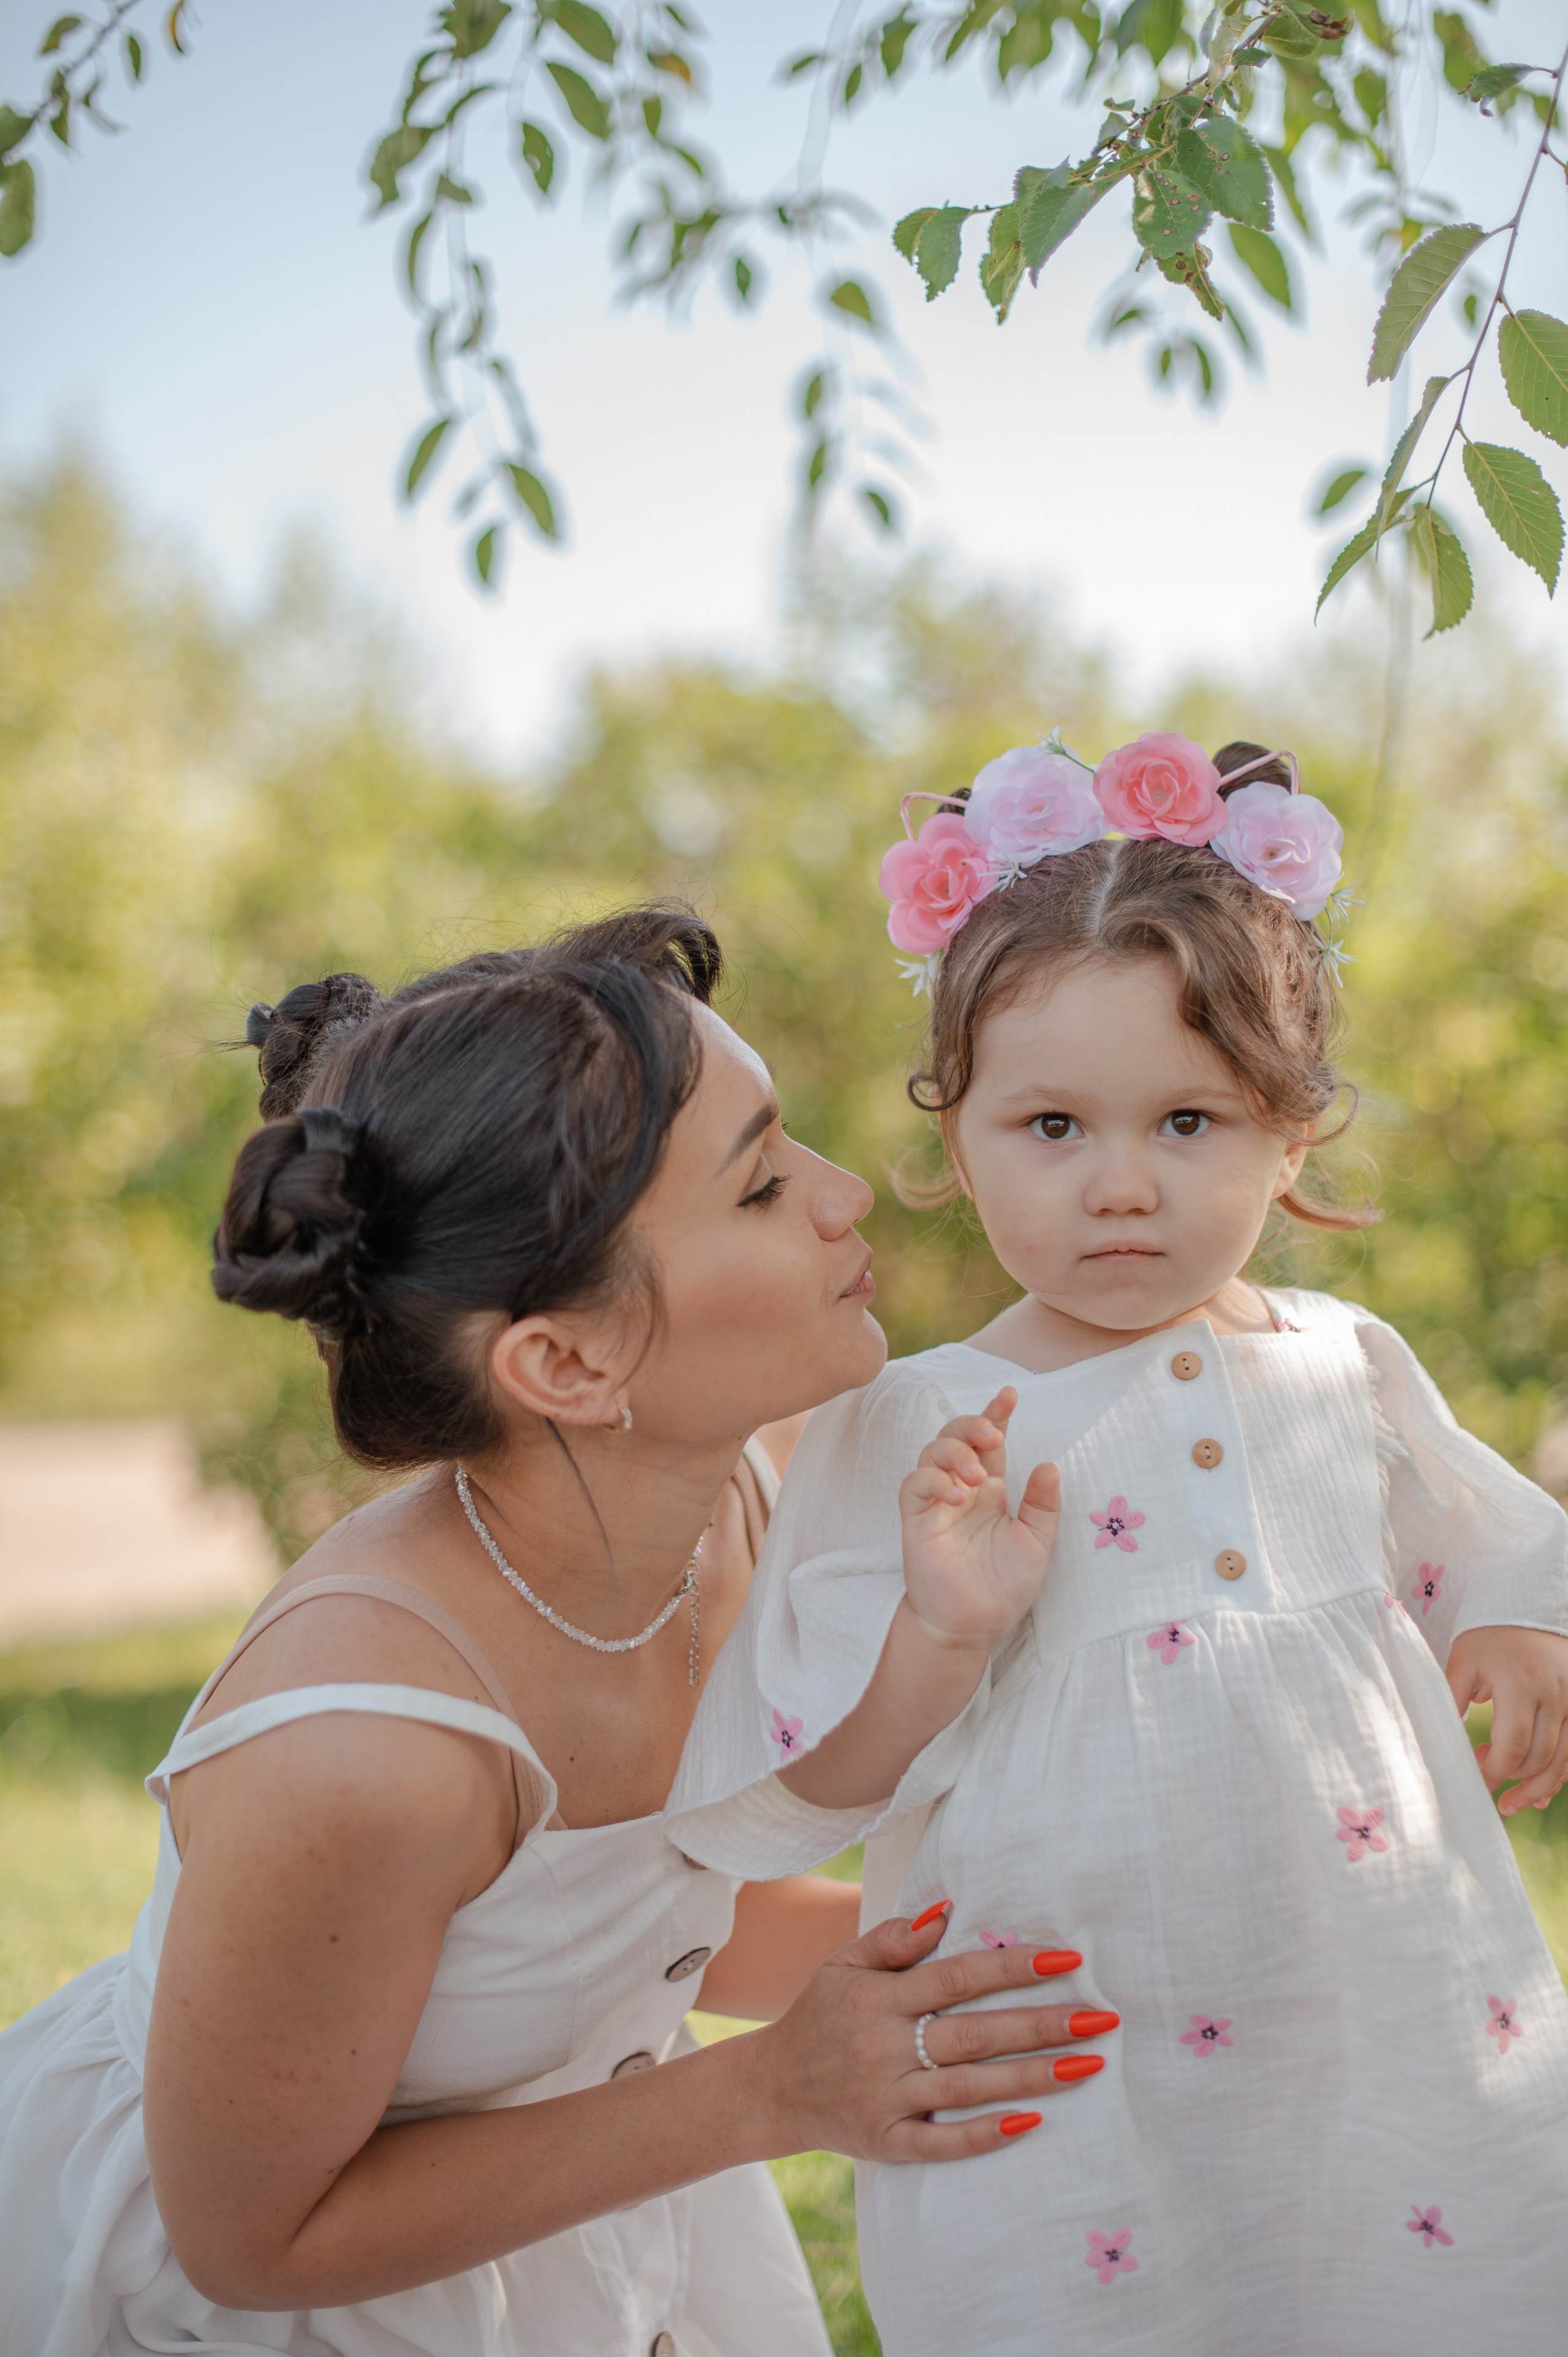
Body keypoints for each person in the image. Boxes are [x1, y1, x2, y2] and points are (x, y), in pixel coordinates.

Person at [0, 907, 1107, 2357]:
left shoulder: (739, 1508)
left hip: (573, 2197)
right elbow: (250, 2238)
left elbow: (619, 1934)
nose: (849, 1196)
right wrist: (773, 2093)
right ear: (570, 1361)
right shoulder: (364, 1749)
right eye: (763, 1184)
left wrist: (1068, 1951)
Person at [666, 740, 1568, 2356]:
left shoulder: (1340, 1366)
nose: (1125, 1185)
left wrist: (1515, 1635)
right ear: (960, 1146)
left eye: (1189, 1120)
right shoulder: (912, 1428)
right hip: (1073, 2053)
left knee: (1419, 2283)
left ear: (1291, 1138)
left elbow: (1496, 1548)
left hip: (1379, 2007)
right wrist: (939, 1635)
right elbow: (803, 1787)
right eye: (1055, 1125)